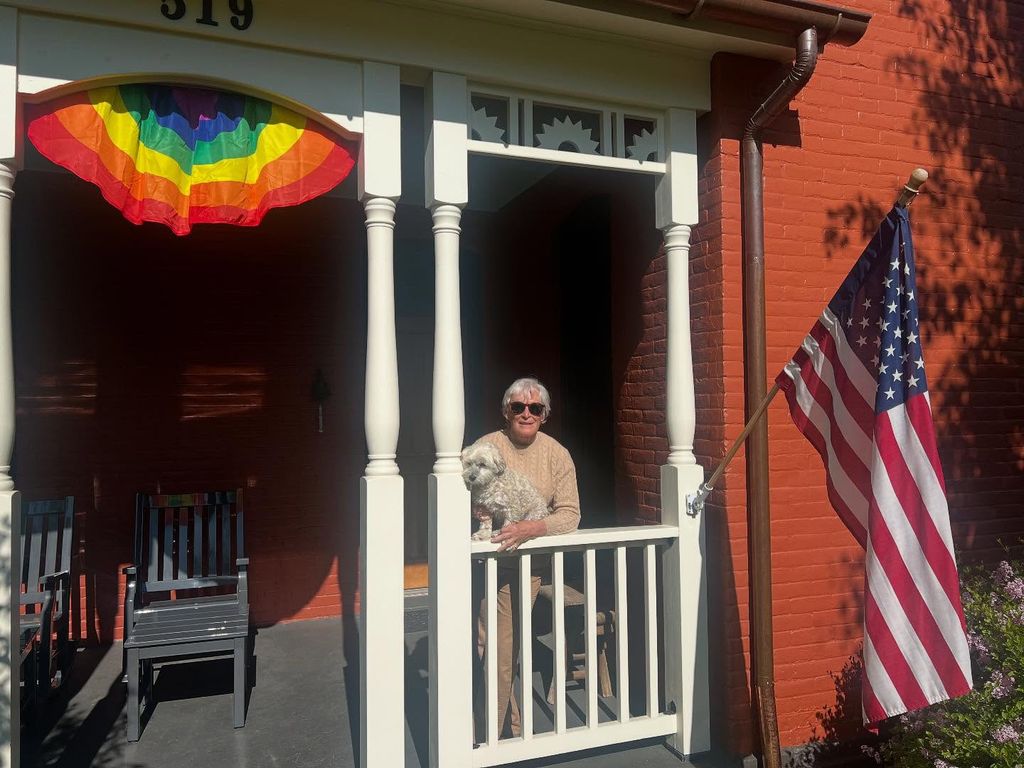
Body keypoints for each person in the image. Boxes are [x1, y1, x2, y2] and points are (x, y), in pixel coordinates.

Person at [474, 377, 580, 740]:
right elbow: (462, 488)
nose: (526, 413)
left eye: (535, 408)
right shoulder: (487, 446)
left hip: (524, 567)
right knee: (487, 645)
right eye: (518, 407)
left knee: (501, 648)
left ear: (545, 415)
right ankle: (508, 724)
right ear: (506, 411)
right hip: (482, 560)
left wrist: (531, 528)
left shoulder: (556, 454)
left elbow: (570, 514)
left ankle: (492, 734)